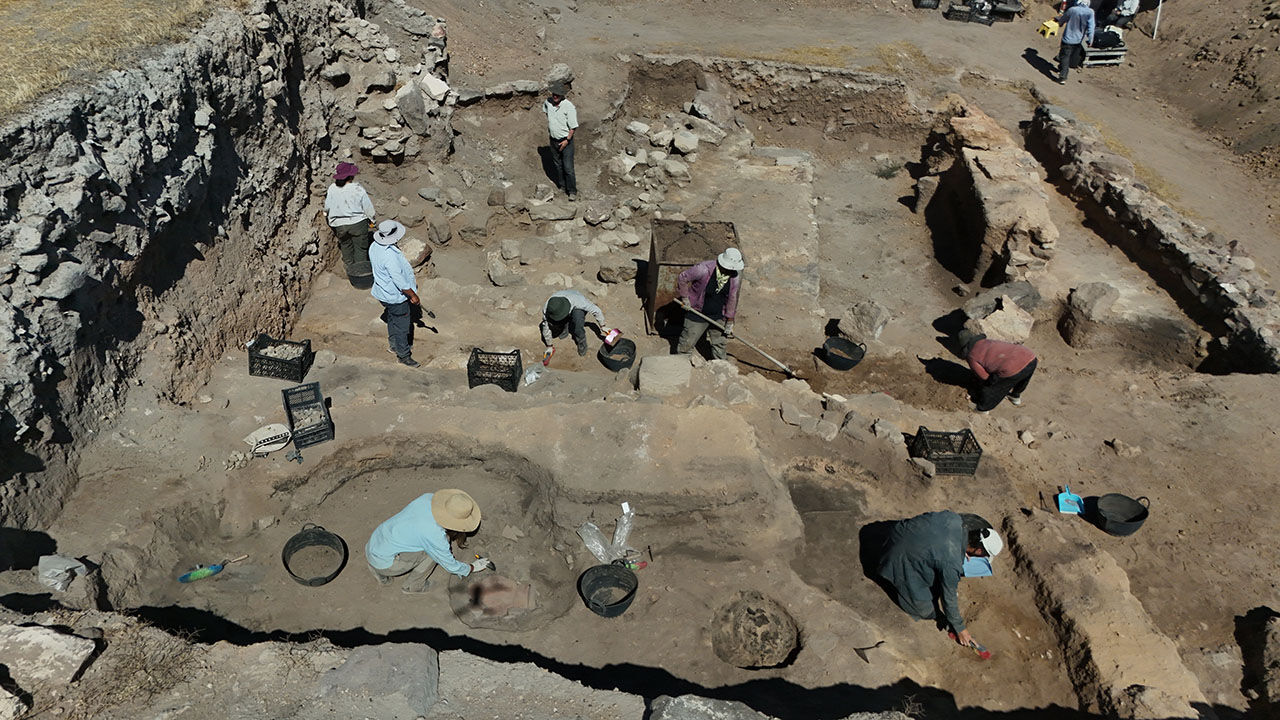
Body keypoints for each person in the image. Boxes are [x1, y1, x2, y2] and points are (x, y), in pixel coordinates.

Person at [877, 511, 1004, 648]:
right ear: (979, 551)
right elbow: (948, 597)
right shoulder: (952, 563)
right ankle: (894, 577)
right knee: (924, 609)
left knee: (935, 565)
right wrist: (960, 629)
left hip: (895, 533)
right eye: (982, 555)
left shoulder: (953, 519)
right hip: (894, 557)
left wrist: (961, 549)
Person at [366, 489, 491, 594]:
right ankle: (413, 586)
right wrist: (472, 567)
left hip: (375, 543)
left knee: (424, 545)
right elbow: (450, 565)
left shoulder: (427, 499)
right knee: (433, 555)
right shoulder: (435, 535)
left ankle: (378, 572)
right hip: (387, 563)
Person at [369, 220, 422, 368]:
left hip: (383, 293)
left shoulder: (374, 246)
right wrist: (412, 295)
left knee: (392, 317)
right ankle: (403, 356)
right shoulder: (389, 256)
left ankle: (393, 346)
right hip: (395, 297)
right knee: (402, 326)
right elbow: (399, 281)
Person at [675, 248, 744, 361]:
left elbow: (732, 298)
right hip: (697, 312)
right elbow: (683, 277)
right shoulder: (703, 269)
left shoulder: (734, 277)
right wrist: (685, 298)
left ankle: (720, 367)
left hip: (717, 314)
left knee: (720, 344)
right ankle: (680, 364)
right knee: (687, 342)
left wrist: (730, 320)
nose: (731, 271)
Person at [960, 329, 1038, 411]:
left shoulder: (971, 356)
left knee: (993, 388)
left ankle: (982, 409)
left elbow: (984, 377)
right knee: (1023, 379)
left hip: (1011, 368)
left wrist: (989, 384)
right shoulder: (987, 341)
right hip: (1030, 357)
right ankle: (1015, 396)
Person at [324, 162, 376, 277]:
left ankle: (349, 269)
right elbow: (368, 208)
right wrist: (372, 220)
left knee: (345, 246)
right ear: (351, 176)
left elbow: (327, 206)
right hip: (358, 223)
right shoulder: (358, 189)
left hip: (339, 225)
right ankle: (360, 272)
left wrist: (326, 214)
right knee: (360, 248)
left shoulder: (332, 188)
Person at [540, 290, 608, 357]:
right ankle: (565, 328)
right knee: (555, 320)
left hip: (576, 306)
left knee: (578, 320)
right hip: (563, 306)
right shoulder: (549, 307)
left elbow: (596, 310)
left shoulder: (579, 301)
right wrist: (549, 346)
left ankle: (581, 341)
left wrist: (602, 326)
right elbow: (546, 327)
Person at [543, 82, 579, 201]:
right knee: (558, 165)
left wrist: (567, 140)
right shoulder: (548, 103)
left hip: (565, 141)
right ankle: (562, 186)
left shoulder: (569, 106)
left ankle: (572, 191)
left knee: (568, 167)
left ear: (562, 95)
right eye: (554, 94)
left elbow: (573, 127)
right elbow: (546, 112)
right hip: (553, 140)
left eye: (557, 95)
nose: (555, 96)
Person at [1056, 0, 1096, 85]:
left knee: (1065, 56)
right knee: (1068, 55)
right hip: (1079, 40)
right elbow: (1091, 27)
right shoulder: (1090, 12)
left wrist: (1060, 23)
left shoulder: (1072, 10)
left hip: (1068, 38)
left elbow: (1063, 19)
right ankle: (1061, 68)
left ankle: (1063, 76)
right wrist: (1090, 39)